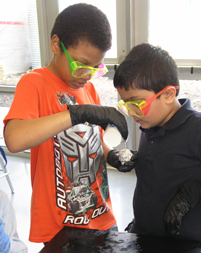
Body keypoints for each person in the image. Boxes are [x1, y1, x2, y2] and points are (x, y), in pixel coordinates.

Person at [3, 3, 137, 244]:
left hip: (101, 213)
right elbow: (14, 139)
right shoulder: (35, 83)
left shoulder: (89, 90)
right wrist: (75, 114)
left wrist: (112, 157)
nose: (86, 75)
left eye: (95, 68)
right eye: (81, 64)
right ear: (56, 45)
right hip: (61, 224)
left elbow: (93, 142)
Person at [113, 42, 201, 243]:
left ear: (168, 94)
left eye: (137, 104)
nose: (132, 113)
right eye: (126, 104)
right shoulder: (150, 121)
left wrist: (192, 193)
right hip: (146, 234)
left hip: (187, 241)